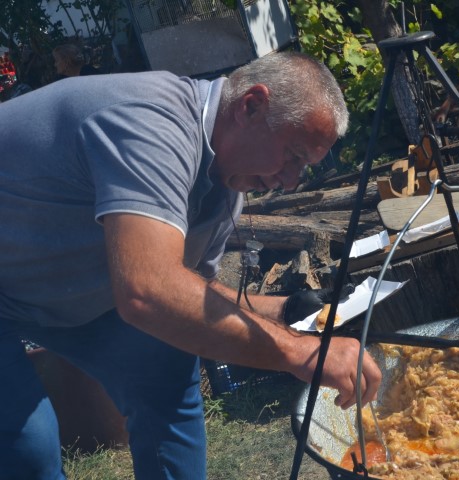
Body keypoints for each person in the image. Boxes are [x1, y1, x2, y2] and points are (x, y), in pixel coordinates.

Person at [0, 52, 382, 479]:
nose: (291, 180)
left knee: (167, 373)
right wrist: (299, 352)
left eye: (304, 167)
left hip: (49, 286)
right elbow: (149, 291)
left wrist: (286, 309)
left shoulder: (224, 186)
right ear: (251, 105)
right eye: (293, 156)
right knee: (27, 450)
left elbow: (191, 296)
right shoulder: (150, 123)